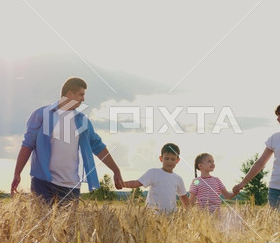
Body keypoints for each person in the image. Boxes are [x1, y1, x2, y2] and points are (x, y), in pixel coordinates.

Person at [11, 77, 124, 205]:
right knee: (42, 223)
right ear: (69, 94)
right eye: (81, 94)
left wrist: (116, 170)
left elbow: (98, 147)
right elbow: (28, 144)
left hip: (71, 188)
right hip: (43, 183)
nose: (83, 99)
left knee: (67, 225)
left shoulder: (82, 121)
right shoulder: (42, 115)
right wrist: (17, 173)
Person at [123, 143, 189, 213]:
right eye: (166, 158)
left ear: (177, 160)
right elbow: (137, 183)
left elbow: (184, 198)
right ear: (161, 158)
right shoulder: (153, 173)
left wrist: (192, 213)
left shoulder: (178, 179)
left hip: (171, 215)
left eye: (173, 159)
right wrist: (122, 183)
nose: (169, 162)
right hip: (153, 214)